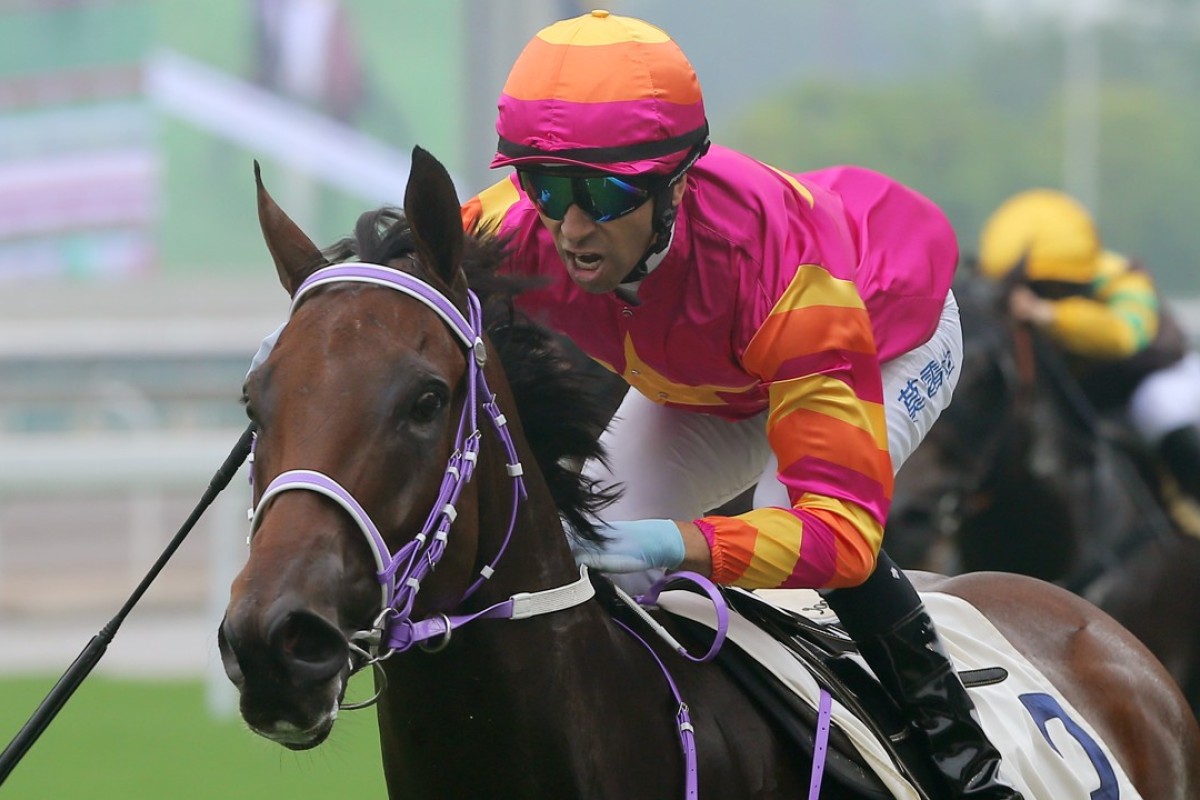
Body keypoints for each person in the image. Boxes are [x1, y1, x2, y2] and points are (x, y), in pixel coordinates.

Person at [462, 10, 1021, 798]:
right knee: (586, 548)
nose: (573, 226)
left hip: (883, 337)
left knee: (783, 513)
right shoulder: (512, 224)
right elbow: (393, 279)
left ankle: (964, 761)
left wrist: (674, 544)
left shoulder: (790, 275)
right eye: (548, 187)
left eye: (607, 192)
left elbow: (838, 537)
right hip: (708, 379)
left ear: (676, 183)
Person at [978, 188, 1200, 507]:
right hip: (1084, 396)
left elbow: (1125, 336)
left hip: (1149, 379)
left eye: (1044, 288)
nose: (1029, 297)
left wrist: (1049, 314)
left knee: (1161, 407)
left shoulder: (1122, 277)